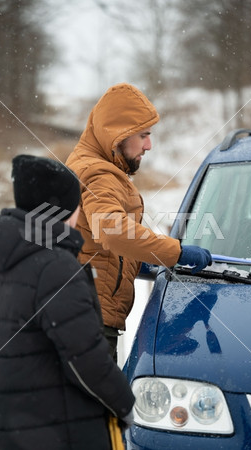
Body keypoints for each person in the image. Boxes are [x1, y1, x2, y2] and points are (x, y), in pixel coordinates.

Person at [0, 154, 135, 450]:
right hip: (63, 430)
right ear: (63, 210)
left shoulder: (14, 261)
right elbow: (86, 359)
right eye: (77, 206)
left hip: (21, 425)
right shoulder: (57, 268)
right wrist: (123, 404)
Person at [66, 83, 212, 361]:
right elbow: (113, 232)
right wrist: (176, 252)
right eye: (143, 135)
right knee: (98, 405)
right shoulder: (100, 174)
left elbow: (93, 243)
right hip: (88, 321)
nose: (149, 145)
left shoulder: (88, 164)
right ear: (116, 134)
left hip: (80, 314)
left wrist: (140, 261)